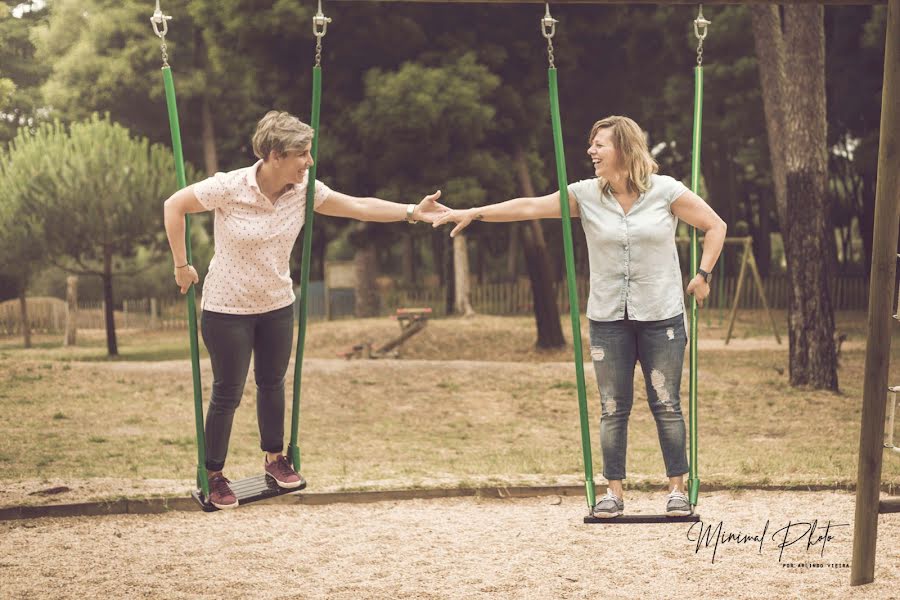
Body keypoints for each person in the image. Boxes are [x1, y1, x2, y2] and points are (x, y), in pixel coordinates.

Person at [433, 115, 726, 518]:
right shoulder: (585, 195)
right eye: (591, 144)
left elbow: (715, 225)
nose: (591, 151)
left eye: (599, 144)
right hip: (608, 318)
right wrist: (474, 212)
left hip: (662, 315)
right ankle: (613, 493)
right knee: (612, 406)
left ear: (623, 148)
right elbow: (529, 206)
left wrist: (702, 275)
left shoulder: (665, 191)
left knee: (666, 402)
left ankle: (677, 489)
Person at [164, 110, 447, 509]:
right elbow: (173, 206)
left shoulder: (305, 190)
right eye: (302, 154)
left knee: (272, 383)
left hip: (277, 304)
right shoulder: (229, 187)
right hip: (227, 307)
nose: (309, 162)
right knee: (228, 392)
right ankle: (214, 475)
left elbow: (359, 207)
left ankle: (275, 460)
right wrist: (181, 265)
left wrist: (410, 212)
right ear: (276, 155)